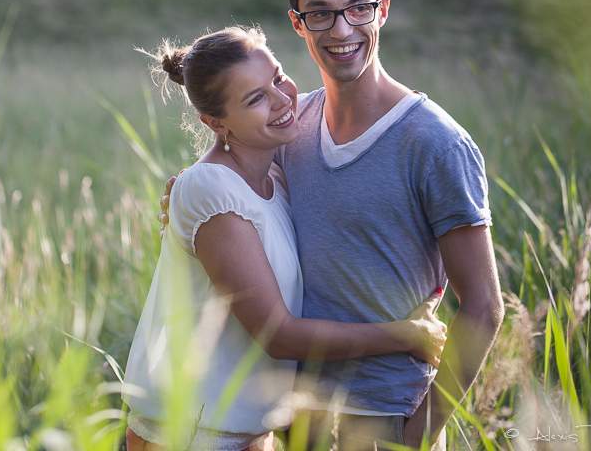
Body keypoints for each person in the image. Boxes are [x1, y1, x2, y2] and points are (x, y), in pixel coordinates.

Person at [159, 0, 504, 450]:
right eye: (320, 13)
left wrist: (417, 437)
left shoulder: (434, 142)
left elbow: (482, 306)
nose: (342, 30)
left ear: (381, 11)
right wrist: (185, 187)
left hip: (384, 416)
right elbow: (235, 186)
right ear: (298, 23)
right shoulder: (291, 123)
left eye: (357, 8)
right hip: (294, 415)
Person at [122, 25, 448, 451]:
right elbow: (276, 335)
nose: (281, 100)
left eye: (277, 77)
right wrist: (405, 335)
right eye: (255, 98)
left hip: (245, 432)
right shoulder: (209, 188)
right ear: (215, 123)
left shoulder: (277, 174)